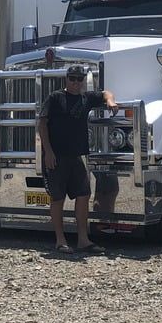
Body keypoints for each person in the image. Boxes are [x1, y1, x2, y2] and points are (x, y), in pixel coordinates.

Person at [38, 64, 118, 253]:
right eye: (72, 79)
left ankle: (83, 239)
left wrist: (111, 101)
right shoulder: (55, 98)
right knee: (57, 198)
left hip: (77, 156)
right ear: (66, 79)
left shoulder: (86, 98)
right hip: (56, 156)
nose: (75, 82)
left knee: (83, 195)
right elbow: (42, 123)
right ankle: (60, 240)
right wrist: (48, 152)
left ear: (83, 81)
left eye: (79, 79)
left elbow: (106, 92)